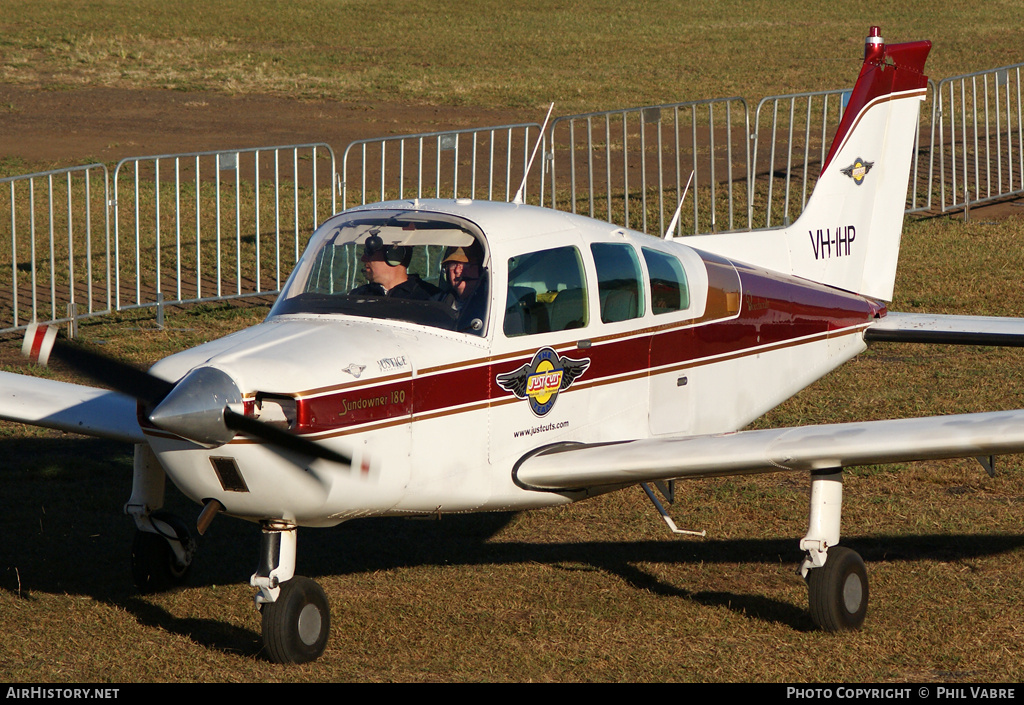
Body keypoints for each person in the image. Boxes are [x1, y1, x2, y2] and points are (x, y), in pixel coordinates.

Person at [349, 234, 438, 301]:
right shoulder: (356, 296)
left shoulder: (431, 298)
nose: (363, 258)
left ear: (394, 255)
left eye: (369, 252)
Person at [436, 241, 488, 332]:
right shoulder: (437, 302)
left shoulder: (492, 307)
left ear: (481, 270)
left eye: (465, 265)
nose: (457, 271)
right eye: (453, 265)